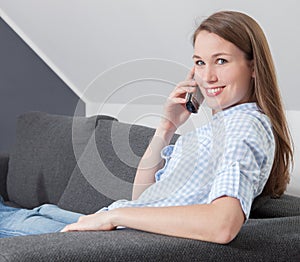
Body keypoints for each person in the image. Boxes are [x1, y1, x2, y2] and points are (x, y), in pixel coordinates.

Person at [0, 10, 293, 243]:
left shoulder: (244, 126)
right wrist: (166, 127)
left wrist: (115, 218)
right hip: (118, 226)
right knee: (37, 211)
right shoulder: (220, 126)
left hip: (121, 238)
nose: (208, 76)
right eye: (200, 63)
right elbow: (144, 197)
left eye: (221, 61)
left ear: (253, 67)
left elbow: (222, 224)